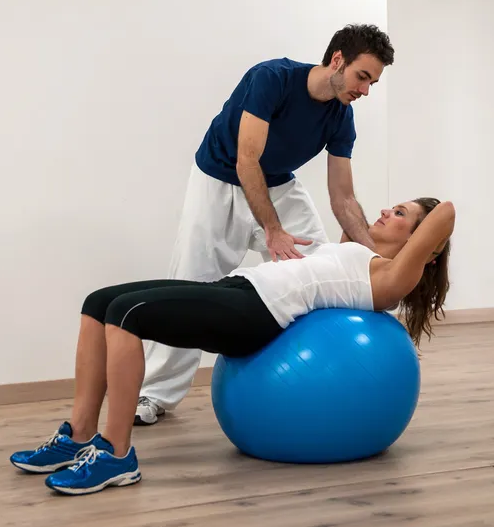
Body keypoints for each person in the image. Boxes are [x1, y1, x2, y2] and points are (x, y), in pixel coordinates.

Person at [9, 197, 455, 496]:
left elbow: (447, 212)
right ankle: (79, 434)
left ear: (424, 248)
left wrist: (425, 235)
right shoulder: (355, 248)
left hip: (256, 315)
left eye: (399, 213)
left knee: (127, 315)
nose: (386, 211)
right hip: (240, 288)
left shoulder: (391, 279)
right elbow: (348, 200)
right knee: (99, 302)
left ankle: (117, 454)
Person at [135, 24, 396, 426]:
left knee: (323, 269)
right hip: (218, 180)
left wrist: (377, 262)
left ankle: (319, 375)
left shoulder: (341, 117)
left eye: (373, 83)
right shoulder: (271, 78)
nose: (365, 90)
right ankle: (154, 395)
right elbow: (246, 159)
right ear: (338, 60)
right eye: (363, 77)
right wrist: (272, 231)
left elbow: (343, 197)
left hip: (278, 184)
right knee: (192, 283)